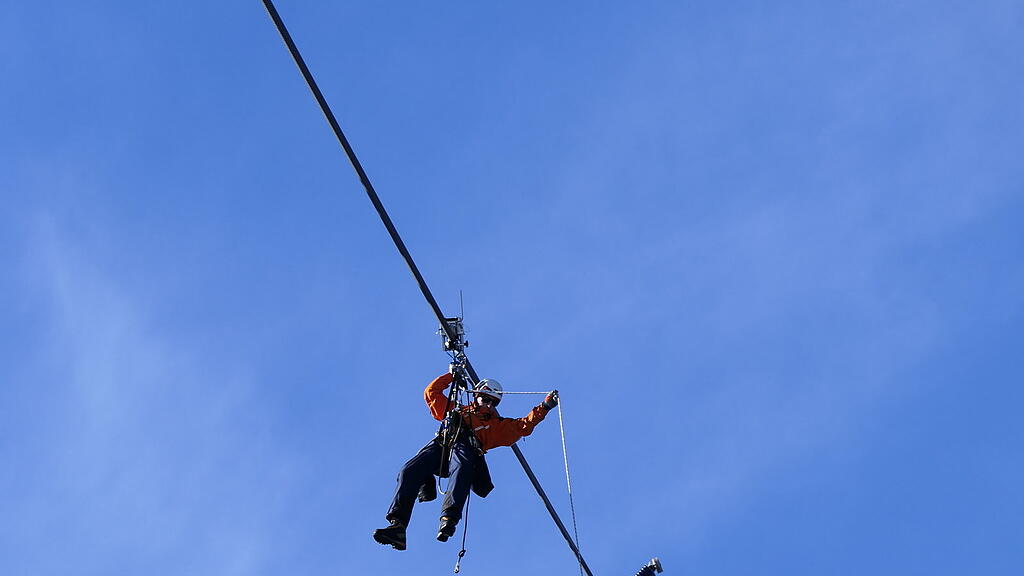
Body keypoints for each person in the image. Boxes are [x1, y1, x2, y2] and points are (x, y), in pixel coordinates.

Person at [372, 365, 559, 551]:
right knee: (409, 470)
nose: (489, 405)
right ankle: (398, 527)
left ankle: (449, 518)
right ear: (476, 395)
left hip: (465, 451)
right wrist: (451, 376)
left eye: (493, 403)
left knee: (462, 466)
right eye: (486, 399)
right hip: (442, 448)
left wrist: (544, 407)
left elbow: (523, 426)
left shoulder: (495, 426)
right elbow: (431, 393)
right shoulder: (457, 410)